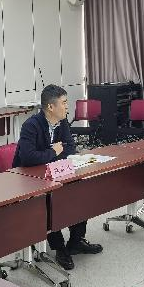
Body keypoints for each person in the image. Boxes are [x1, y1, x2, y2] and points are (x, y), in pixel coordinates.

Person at [12, 84, 103, 270]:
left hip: (55, 171)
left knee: (80, 193)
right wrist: (53, 152)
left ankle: (76, 242)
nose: (67, 106)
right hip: (30, 178)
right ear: (50, 107)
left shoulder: (62, 122)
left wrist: (51, 154)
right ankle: (60, 248)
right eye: (64, 103)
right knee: (49, 203)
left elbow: (70, 148)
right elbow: (28, 157)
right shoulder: (31, 125)